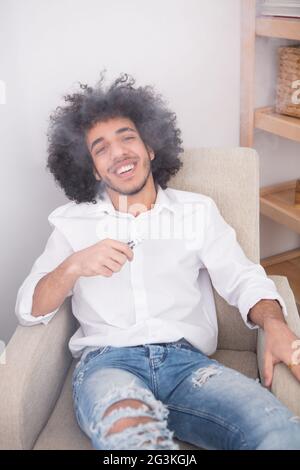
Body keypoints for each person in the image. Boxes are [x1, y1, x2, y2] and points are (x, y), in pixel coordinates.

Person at [15, 73, 300, 450]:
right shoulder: (72, 222)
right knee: (137, 441)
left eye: (127, 137)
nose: (117, 153)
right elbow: (28, 309)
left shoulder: (196, 211)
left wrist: (276, 324)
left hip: (188, 366)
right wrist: (73, 267)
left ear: (150, 147)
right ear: (94, 169)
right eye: (101, 149)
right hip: (108, 366)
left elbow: (242, 277)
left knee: (279, 433)